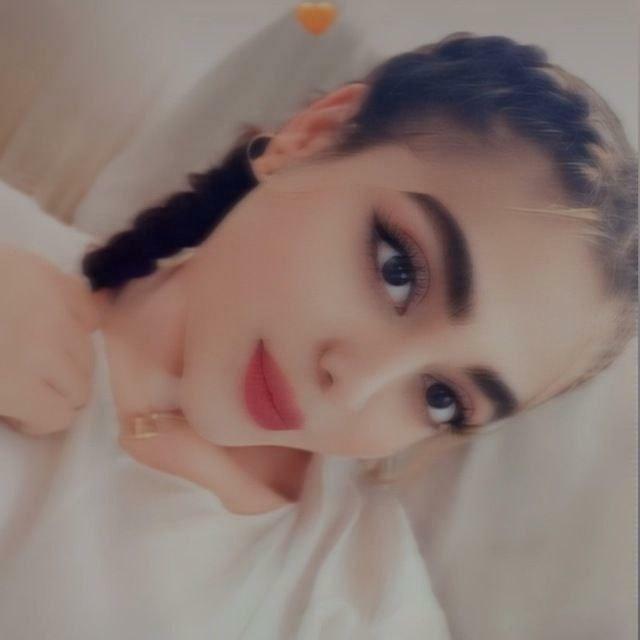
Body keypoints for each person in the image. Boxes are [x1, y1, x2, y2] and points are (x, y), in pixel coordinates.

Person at [0, 31, 636, 636]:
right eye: (397, 271)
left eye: (441, 397)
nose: (354, 386)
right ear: (311, 136)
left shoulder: (354, 601)